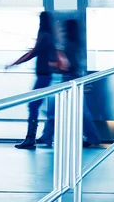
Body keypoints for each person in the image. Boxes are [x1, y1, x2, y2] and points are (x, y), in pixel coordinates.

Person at [37, 19, 100, 148]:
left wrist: (54, 63)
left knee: (57, 111)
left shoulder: (69, 46)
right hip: (73, 81)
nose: (62, 31)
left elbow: (67, 66)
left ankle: (47, 136)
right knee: (76, 112)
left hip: (69, 82)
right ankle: (47, 136)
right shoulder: (75, 44)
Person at [7, 11, 56, 150]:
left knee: (33, 106)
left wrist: (14, 63)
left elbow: (32, 53)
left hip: (43, 77)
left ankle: (30, 139)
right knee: (43, 108)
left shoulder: (44, 36)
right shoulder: (49, 36)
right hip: (46, 76)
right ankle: (44, 136)